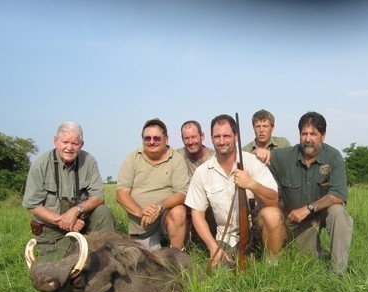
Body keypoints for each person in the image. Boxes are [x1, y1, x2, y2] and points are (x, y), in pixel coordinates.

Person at [185, 114, 285, 267]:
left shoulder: (252, 162)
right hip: (226, 236)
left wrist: (251, 184)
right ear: (211, 138)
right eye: (217, 136)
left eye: (226, 136)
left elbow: (273, 200)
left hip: (256, 231)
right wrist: (213, 246)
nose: (222, 141)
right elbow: (197, 214)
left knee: (272, 215)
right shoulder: (202, 172)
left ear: (236, 137)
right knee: (221, 273)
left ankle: (272, 265)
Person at [266, 111, 353, 276]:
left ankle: (338, 272)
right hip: (299, 221)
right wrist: (261, 154)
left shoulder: (333, 156)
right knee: (305, 259)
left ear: (323, 135)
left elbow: (339, 194)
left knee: (338, 211)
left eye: (313, 134)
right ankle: (321, 252)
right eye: (304, 133)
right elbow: (265, 172)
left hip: (322, 214)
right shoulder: (282, 157)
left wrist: (308, 208)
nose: (308, 138)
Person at [22, 121, 116, 260]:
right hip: (53, 232)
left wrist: (75, 211)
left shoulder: (89, 161)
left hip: (82, 224)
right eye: (65, 142)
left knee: (103, 211)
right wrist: (62, 220)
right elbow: (32, 205)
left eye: (75, 143)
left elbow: (98, 197)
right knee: (54, 276)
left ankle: (107, 256)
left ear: (81, 144)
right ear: (55, 141)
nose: (69, 148)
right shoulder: (40, 165)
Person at [116, 118, 189, 251]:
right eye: (147, 138)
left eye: (156, 138)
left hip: (165, 217)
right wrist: (141, 212)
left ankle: (176, 256)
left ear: (166, 139)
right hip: (142, 224)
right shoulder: (132, 158)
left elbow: (182, 193)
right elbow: (121, 194)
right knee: (144, 265)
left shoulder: (176, 159)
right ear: (142, 139)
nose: (151, 142)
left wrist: (159, 208)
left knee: (179, 212)